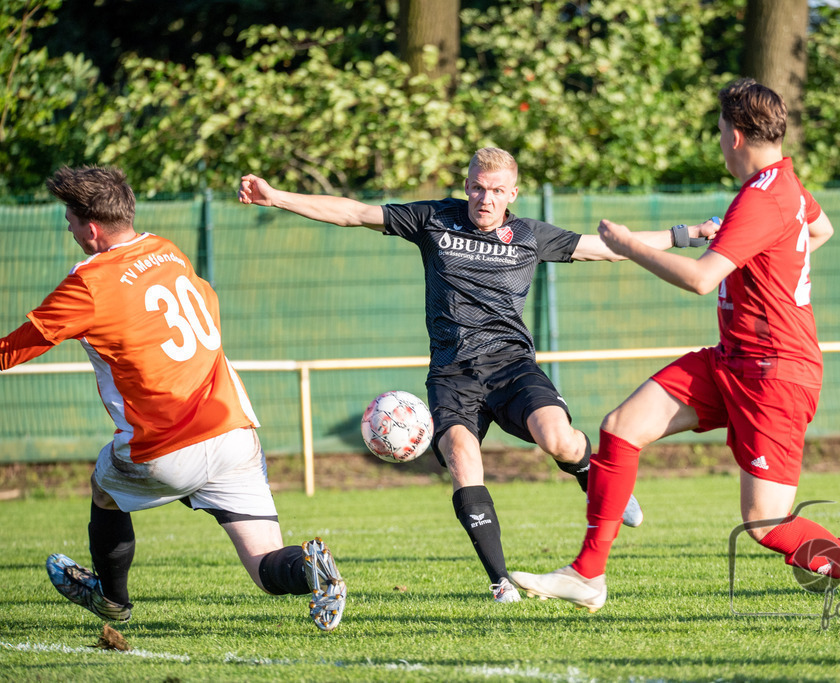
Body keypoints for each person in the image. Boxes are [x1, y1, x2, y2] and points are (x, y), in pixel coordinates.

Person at [510, 79, 840, 632]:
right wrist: (767, 262)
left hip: (775, 373)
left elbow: (703, 278)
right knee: (623, 426)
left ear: (735, 134)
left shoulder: (762, 196)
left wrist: (631, 245)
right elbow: (820, 229)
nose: (720, 142)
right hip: (734, 359)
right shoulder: (784, 186)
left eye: (720, 132)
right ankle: (588, 574)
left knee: (765, 523)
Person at [238, 148, 718, 602]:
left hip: (512, 367)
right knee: (463, 460)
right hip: (451, 377)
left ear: (512, 194)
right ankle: (501, 581)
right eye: (477, 188)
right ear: (466, 187)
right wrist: (276, 197)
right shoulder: (433, 219)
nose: (485, 199)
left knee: (561, 440)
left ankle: (589, 474)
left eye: (496, 190)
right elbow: (353, 212)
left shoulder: (530, 235)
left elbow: (609, 249)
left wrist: (689, 234)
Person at [0, 166, 347, 631]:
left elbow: (16, 348)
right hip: (232, 433)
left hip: (163, 447)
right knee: (266, 567)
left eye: (70, 217)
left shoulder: (89, 283)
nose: (68, 225)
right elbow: (208, 304)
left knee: (105, 490)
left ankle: (114, 603)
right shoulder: (166, 250)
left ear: (92, 227)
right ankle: (309, 568)